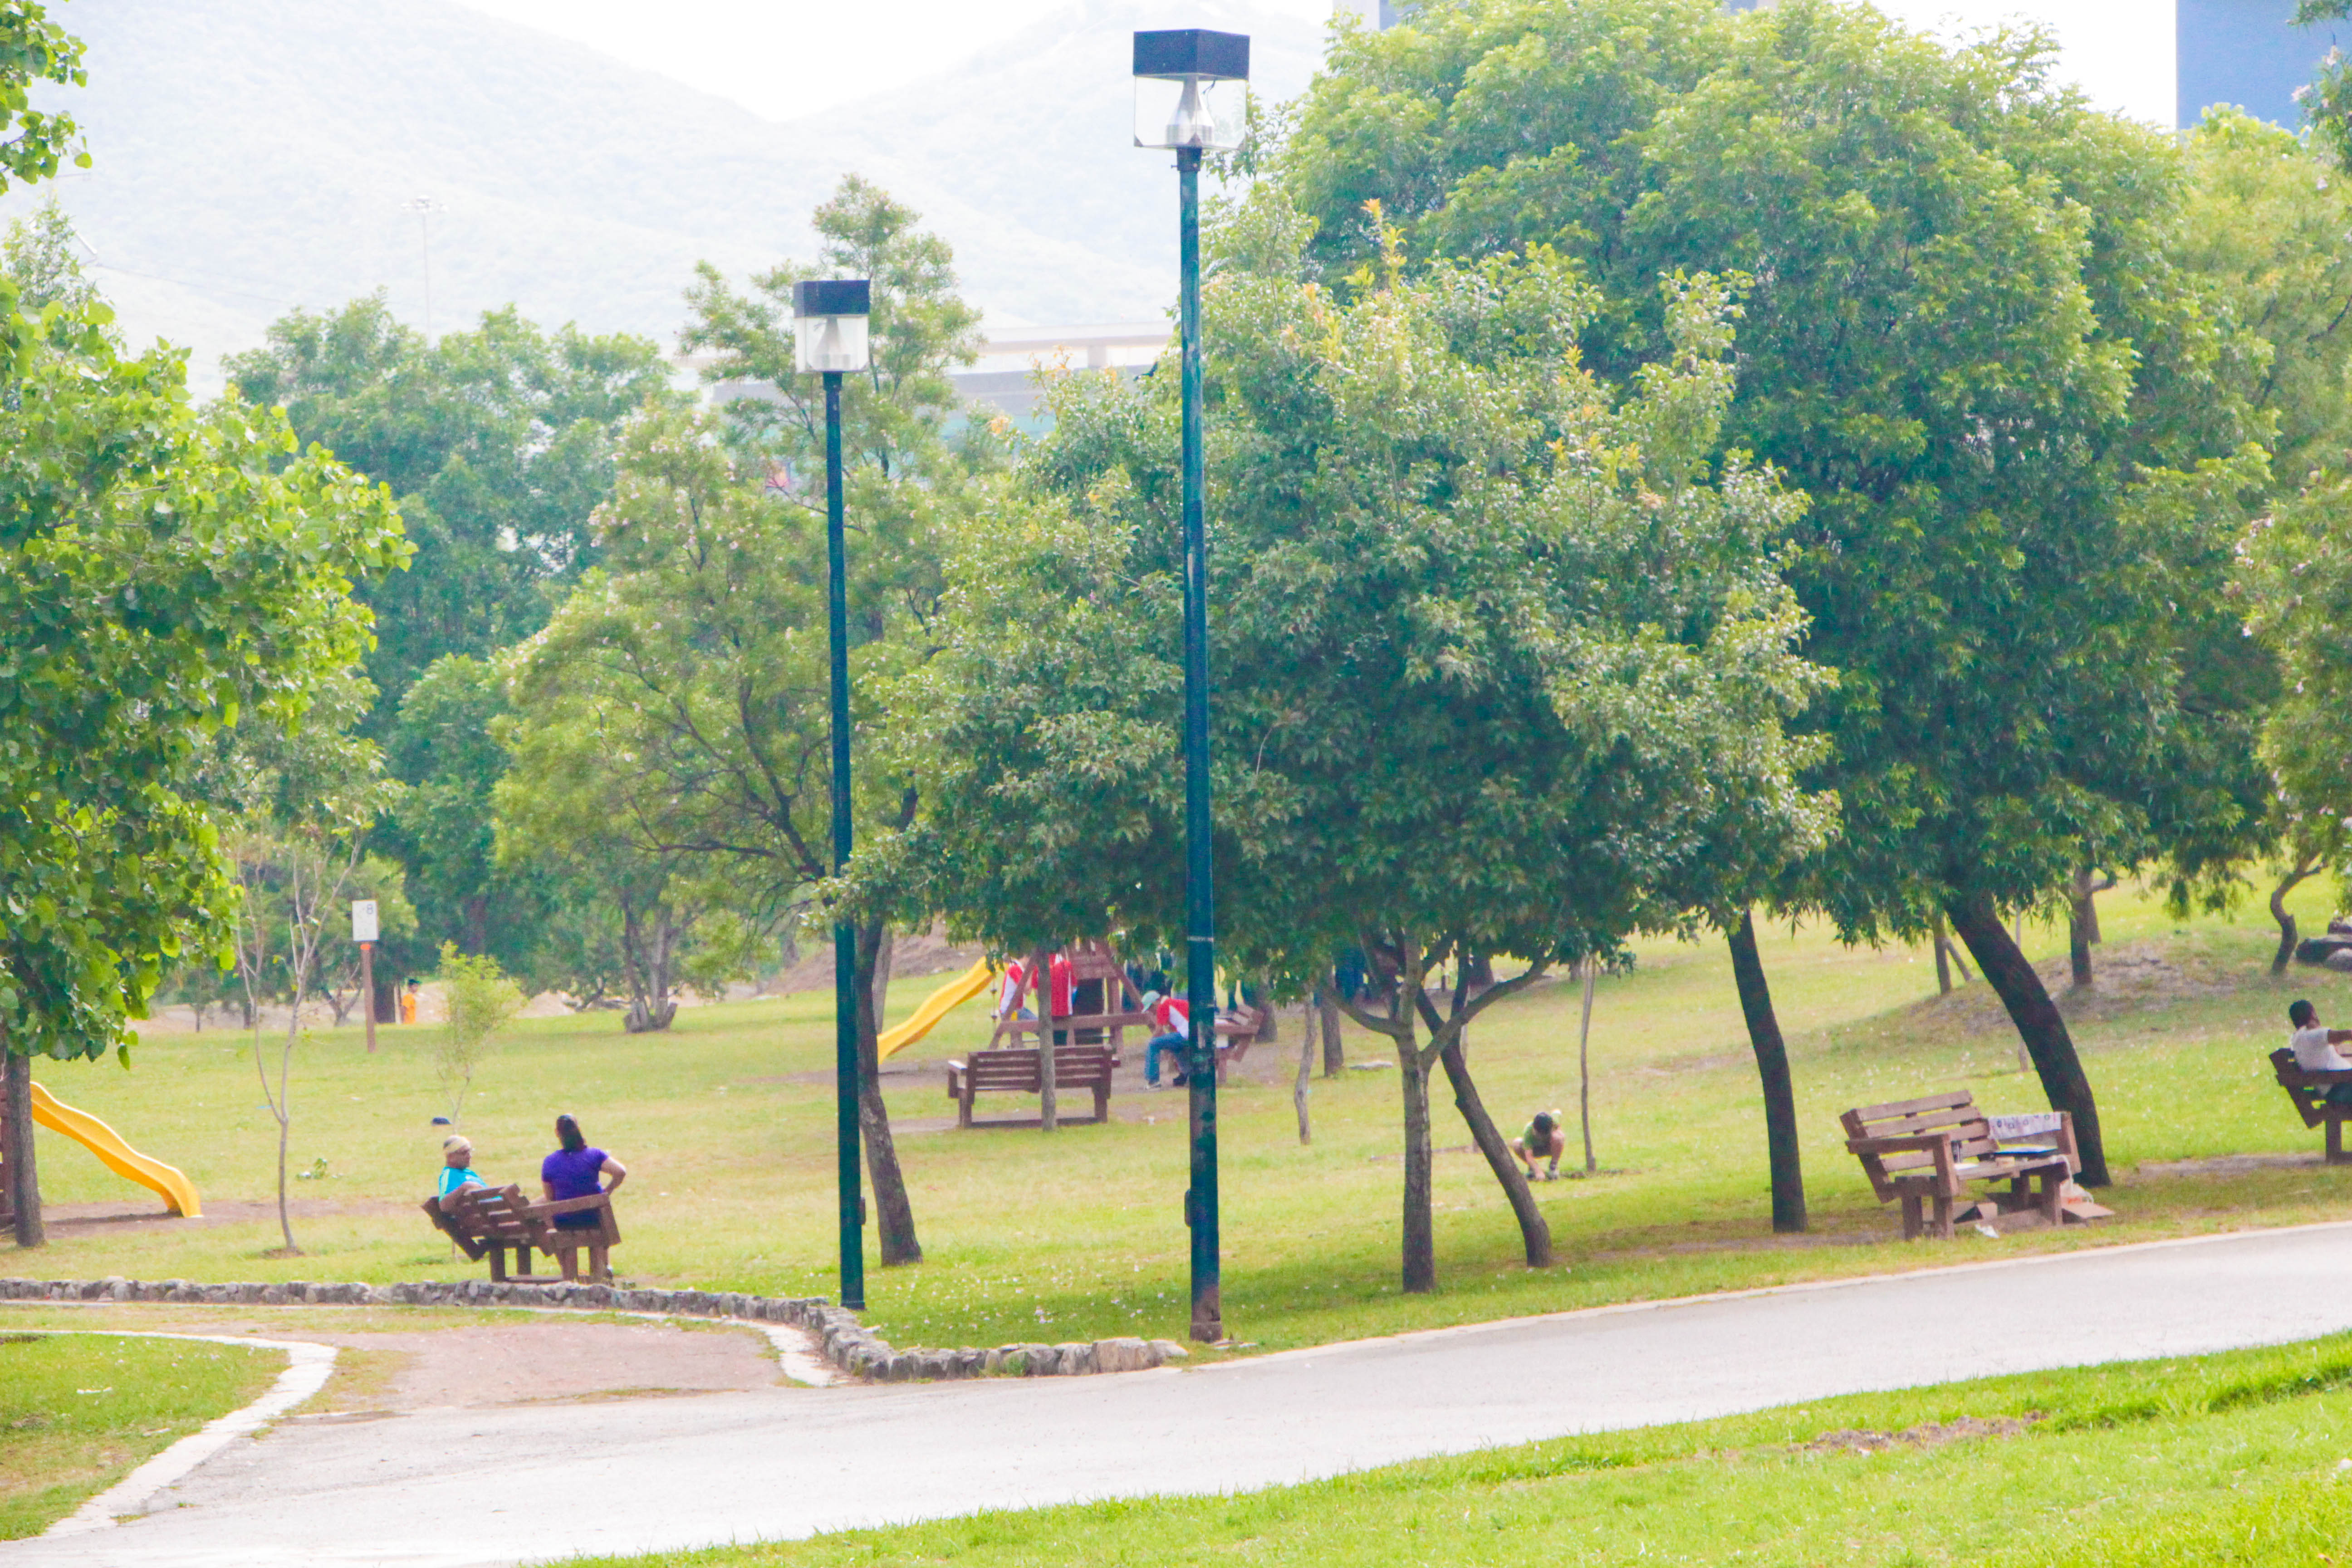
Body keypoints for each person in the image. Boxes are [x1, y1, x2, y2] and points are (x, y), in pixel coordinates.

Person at [542, 1113, 627, 1229]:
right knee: (600, 1239)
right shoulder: (594, 1155)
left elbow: (550, 1198)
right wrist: (608, 1191)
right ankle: (599, 1248)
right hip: (594, 1218)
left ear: (557, 1133)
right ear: (578, 1130)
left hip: (564, 1222)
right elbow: (620, 1171)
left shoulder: (550, 1161)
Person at [2289, 1000, 2352, 1105]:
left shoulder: (2297, 1040)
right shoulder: (2315, 1035)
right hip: (2343, 1089)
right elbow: (2349, 1034)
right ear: (2313, 1014)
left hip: (2335, 1090)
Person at [1142, 991, 1190, 1088]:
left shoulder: (1162, 1006)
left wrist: (1150, 1041)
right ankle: (1187, 1074)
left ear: (1156, 1002)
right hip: (1191, 1034)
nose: (1151, 1011)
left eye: (1151, 1008)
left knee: (1153, 1044)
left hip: (1185, 1035)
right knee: (1174, 1046)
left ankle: (1153, 1081)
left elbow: (1159, 1030)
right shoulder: (1172, 1003)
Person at [435, 1134, 487, 1210]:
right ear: (451, 1157)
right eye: (464, 1153)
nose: (469, 1156)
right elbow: (444, 1206)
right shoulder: (448, 1175)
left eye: (470, 1152)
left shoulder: (470, 1173)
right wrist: (465, 1187)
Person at [1513, 1109, 1567, 1180]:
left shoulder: (1554, 1123)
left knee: (1558, 1138)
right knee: (1517, 1144)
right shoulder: (1529, 1131)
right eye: (1539, 1135)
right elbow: (1529, 1155)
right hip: (1535, 1150)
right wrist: (1538, 1171)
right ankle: (1533, 1169)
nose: (1541, 1137)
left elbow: (1557, 1113)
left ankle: (1553, 1167)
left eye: (1544, 1135)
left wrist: (1559, 1133)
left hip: (1549, 1147)